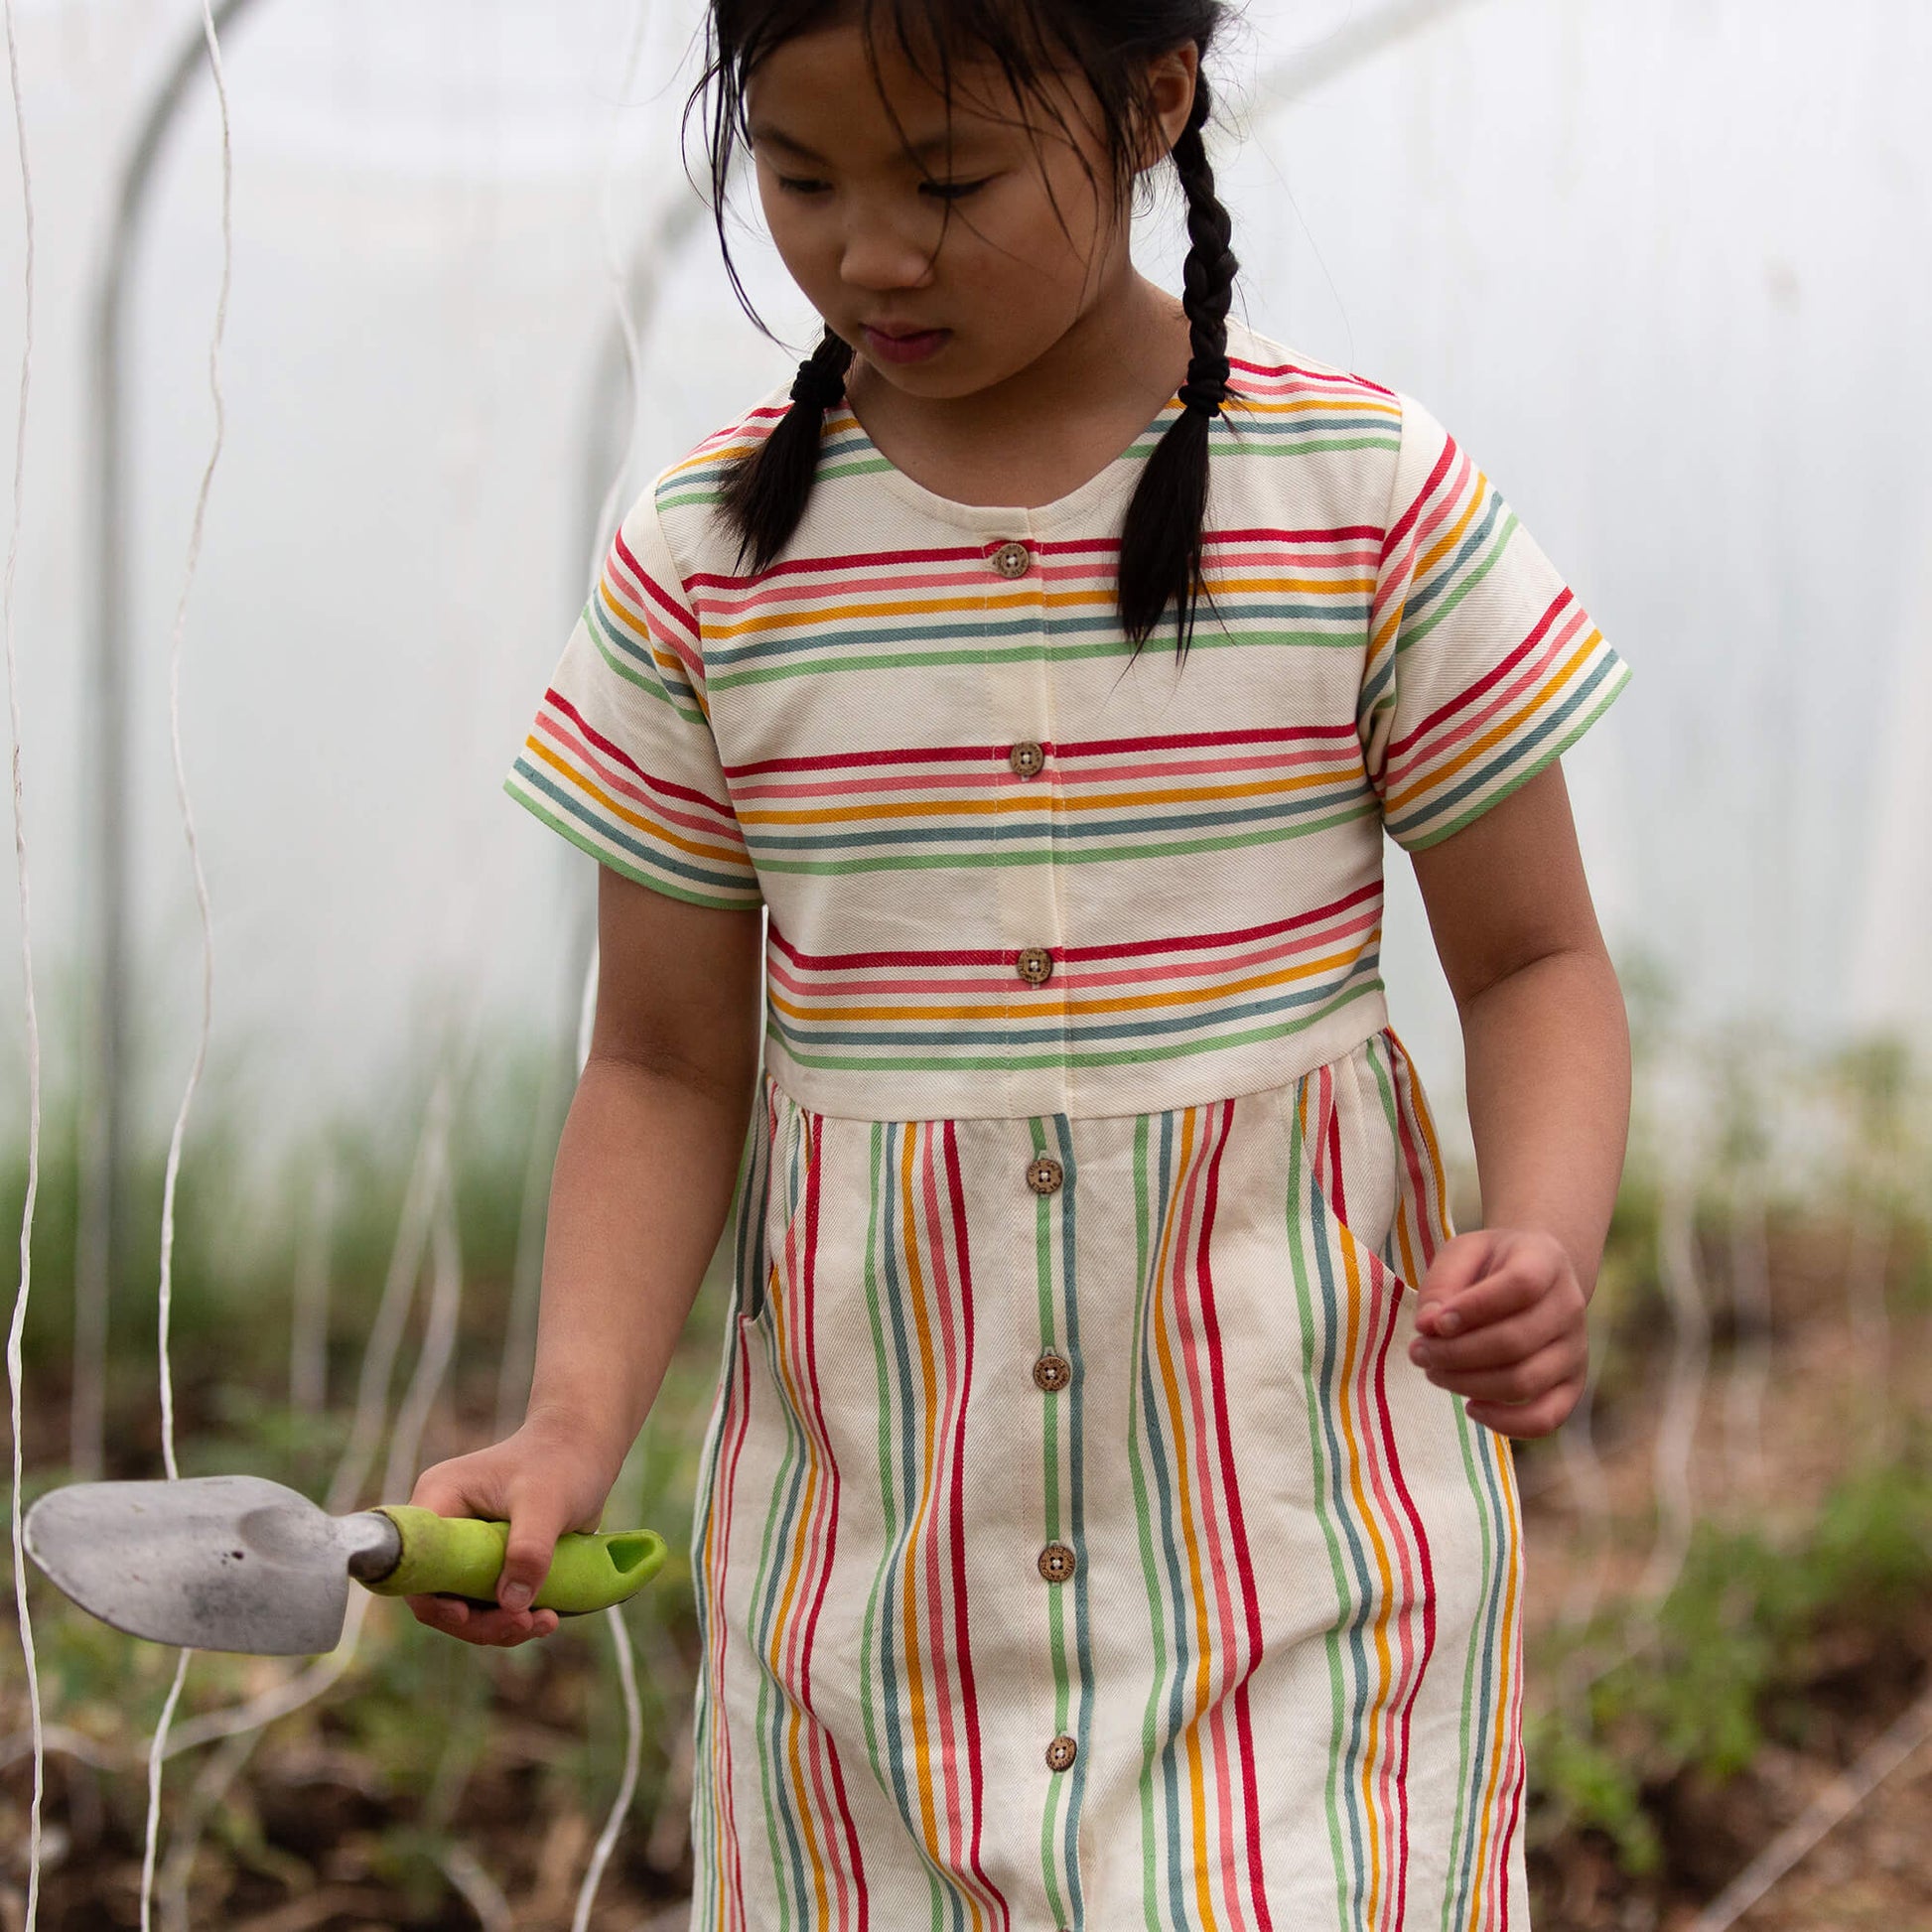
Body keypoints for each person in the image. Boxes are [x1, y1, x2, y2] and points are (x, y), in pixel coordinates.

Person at [406, 2, 1632, 1923]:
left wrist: (1544, 1227)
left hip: (1297, 1572)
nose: (868, 253)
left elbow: (1535, 957)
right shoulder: (705, 564)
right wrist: (570, 1424)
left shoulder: (1361, 497)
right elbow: (659, 1063)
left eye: (947, 180)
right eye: (801, 177)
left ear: (1150, 102)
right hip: (872, 1606)